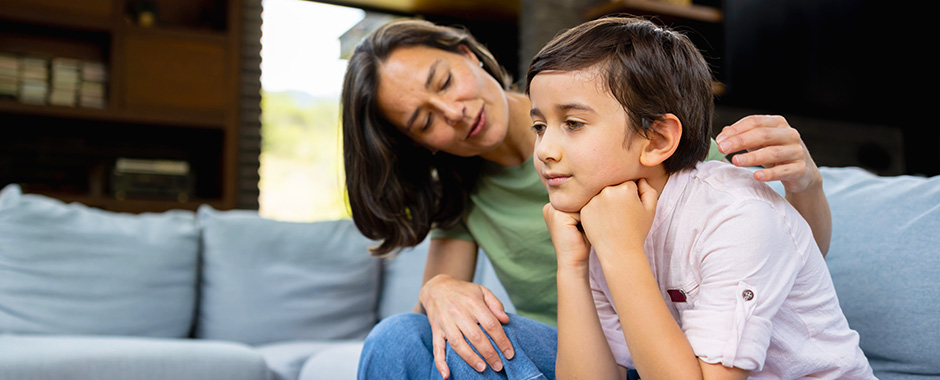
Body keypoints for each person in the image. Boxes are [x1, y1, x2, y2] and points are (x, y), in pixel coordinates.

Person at [342, 19, 832, 379]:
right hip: (601, 351)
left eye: (445, 81)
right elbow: (434, 317)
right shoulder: (571, 211)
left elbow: (778, 253)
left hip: (691, 352)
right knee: (400, 337)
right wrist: (441, 287)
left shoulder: (664, 158)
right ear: (419, 143)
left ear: (470, 55)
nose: (453, 111)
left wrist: (805, 183)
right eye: (424, 121)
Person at [531, 16, 874, 379]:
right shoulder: (606, 217)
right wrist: (572, 265)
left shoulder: (737, 215)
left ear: (658, 140)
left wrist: (621, 252)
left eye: (573, 124)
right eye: (539, 127)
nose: (544, 150)